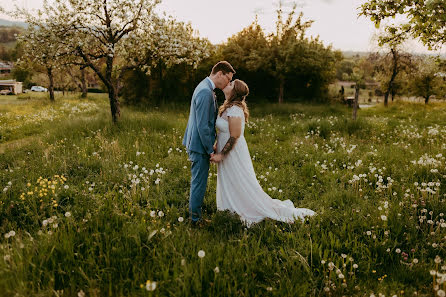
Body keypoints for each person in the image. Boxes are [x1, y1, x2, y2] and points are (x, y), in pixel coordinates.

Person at [210, 79, 315, 226]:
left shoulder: (235, 110)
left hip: (233, 153)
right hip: (226, 151)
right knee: (232, 180)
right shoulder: (228, 107)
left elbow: (234, 136)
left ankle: (244, 209)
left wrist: (221, 155)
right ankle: (231, 208)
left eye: (232, 84)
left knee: (240, 181)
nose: (228, 83)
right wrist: (216, 147)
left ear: (235, 92)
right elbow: (223, 132)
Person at [183, 61, 235, 224]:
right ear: (219, 73)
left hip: (196, 143)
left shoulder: (205, 88)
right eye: (228, 78)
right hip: (199, 145)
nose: (228, 82)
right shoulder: (205, 91)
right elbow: (203, 126)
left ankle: (195, 215)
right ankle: (195, 219)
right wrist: (209, 150)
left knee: (198, 181)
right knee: (199, 182)